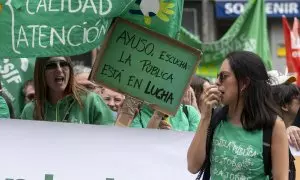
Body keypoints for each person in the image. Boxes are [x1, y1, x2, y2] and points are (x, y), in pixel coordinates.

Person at [187, 51, 289, 179]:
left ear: (244, 83)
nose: (217, 82)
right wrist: (205, 116)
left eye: (223, 76)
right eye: (217, 76)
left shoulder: (273, 126)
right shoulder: (217, 119)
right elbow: (192, 166)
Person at [20, 56, 114, 125]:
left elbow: (109, 141)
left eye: (63, 64)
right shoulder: (30, 110)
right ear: (41, 72)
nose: (59, 69)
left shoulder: (91, 101)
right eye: (51, 65)